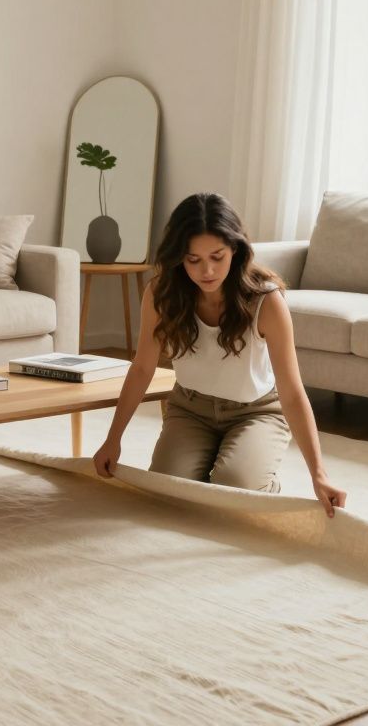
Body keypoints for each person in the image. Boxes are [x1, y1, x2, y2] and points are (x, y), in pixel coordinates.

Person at [92, 193, 348, 518]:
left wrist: (319, 475)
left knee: (235, 489)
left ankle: (254, 478)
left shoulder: (266, 302)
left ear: (236, 250)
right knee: (169, 494)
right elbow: (142, 367)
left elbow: (292, 390)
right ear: (179, 258)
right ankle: (212, 469)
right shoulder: (161, 294)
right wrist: (112, 440)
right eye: (193, 260)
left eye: (217, 256)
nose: (207, 270)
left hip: (256, 412)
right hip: (190, 409)